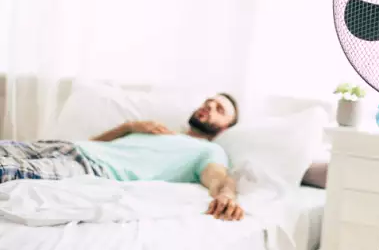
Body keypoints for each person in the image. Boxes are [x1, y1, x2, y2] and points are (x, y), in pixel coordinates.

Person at [0, 92, 244, 221]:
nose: (209, 107)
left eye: (219, 109)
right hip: (71, 147)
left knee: (7, 169)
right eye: (208, 102)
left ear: (224, 128)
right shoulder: (159, 130)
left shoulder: (210, 151)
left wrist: (226, 195)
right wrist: (129, 127)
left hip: (92, 168)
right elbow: (93, 144)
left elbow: (220, 178)